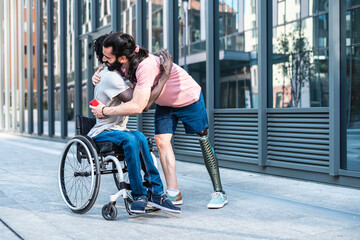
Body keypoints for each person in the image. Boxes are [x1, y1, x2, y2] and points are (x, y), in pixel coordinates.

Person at [90, 32, 227, 209]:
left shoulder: (144, 66)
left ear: (122, 57)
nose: (104, 60)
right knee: (161, 142)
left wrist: (104, 110)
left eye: (107, 57)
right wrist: (98, 74)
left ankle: (219, 191)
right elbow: (109, 72)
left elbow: (142, 106)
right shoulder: (120, 64)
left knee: (202, 138)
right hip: (164, 103)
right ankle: (173, 192)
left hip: (187, 97)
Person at [88, 34, 180, 214]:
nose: (105, 60)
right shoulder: (110, 77)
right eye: (104, 57)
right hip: (102, 131)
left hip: (118, 130)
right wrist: (162, 77)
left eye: (108, 57)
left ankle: (156, 192)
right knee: (131, 138)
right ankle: (139, 195)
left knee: (139, 137)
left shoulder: (117, 72)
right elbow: (140, 102)